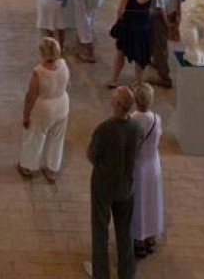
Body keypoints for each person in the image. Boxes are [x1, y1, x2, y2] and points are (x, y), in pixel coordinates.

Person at [83, 86, 143, 279]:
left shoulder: (105, 129)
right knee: (125, 231)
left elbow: (91, 155)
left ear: (117, 104)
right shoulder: (137, 128)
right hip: (126, 186)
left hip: (104, 186)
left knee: (100, 229)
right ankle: (127, 272)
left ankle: (101, 273)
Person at [18, 37, 70, 183]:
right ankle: (52, 169)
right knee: (58, 138)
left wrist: (26, 115)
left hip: (44, 108)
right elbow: (68, 84)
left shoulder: (38, 72)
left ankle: (28, 167)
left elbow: (30, 97)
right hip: (62, 104)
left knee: (35, 137)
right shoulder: (64, 64)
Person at [129, 83, 163, 260]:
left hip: (139, 165)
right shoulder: (156, 119)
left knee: (139, 202)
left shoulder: (132, 119)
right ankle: (151, 236)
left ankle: (139, 239)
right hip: (153, 164)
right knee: (152, 200)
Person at [108, 0, 153, 88]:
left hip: (128, 28)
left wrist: (118, 21)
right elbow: (150, 11)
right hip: (143, 29)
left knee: (120, 53)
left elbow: (120, 11)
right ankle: (138, 82)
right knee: (140, 58)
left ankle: (113, 80)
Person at [147, 0, 179, 89]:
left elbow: (161, 8)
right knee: (158, 43)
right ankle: (157, 61)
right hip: (172, 13)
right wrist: (177, 16)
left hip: (161, 18)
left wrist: (167, 25)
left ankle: (164, 76)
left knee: (161, 46)